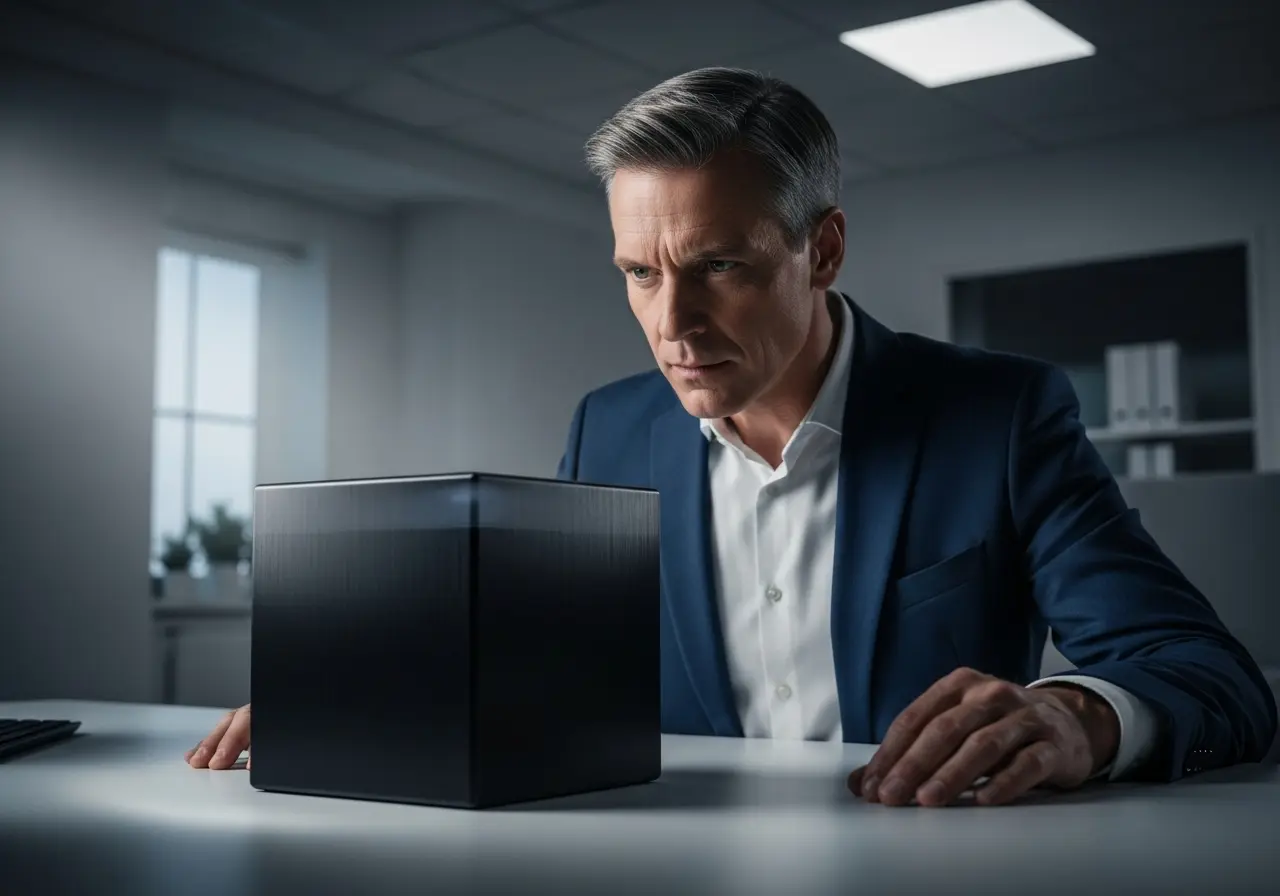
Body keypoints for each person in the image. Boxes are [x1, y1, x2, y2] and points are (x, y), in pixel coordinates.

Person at [188, 67, 1277, 806]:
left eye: (720, 265)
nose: (672, 324)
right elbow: (557, 669)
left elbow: (1209, 673)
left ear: (824, 249)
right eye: (638, 272)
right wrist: (372, 697)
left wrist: (1079, 715)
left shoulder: (998, 416)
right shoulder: (606, 426)